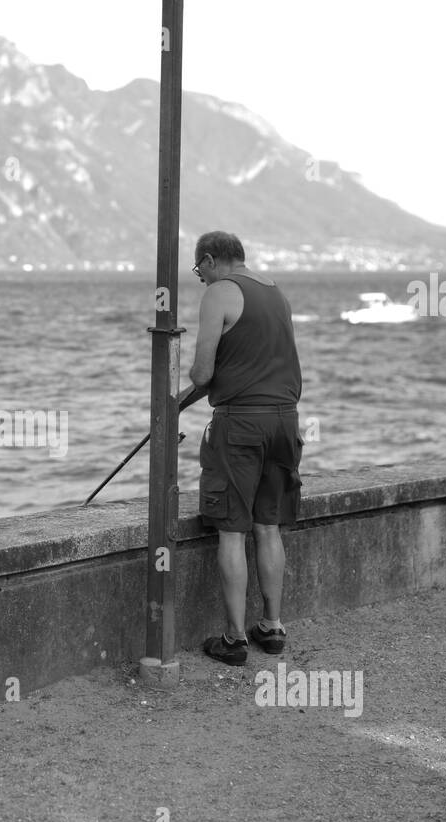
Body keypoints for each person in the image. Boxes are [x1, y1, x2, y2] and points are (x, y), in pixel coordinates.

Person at [185, 231, 303, 666]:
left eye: (199, 270)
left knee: (232, 529)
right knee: (268, 525)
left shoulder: (220, 292)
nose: (200, 280)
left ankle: (234, 639)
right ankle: (272, 628)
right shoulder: (276, 293)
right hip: (285, 421)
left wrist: (175, 399)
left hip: (240, 425)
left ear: (212, 260)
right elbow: (257, 363)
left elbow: (202, 373)